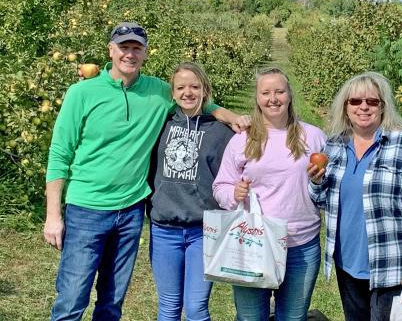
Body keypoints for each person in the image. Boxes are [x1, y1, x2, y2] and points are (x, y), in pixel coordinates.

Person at [43, 22, 249, 321]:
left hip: (131, 211)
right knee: (72, 298)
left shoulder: (157, 91)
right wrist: (53, 214)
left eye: (136, 48)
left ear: (145, 53)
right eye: (124, 47)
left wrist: (226, 115)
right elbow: (60, 154)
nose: (130, 53)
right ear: (110, 50)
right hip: (87, 208)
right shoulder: (82, 93)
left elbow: (193, 97)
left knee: (112, 301)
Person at [307, 72, 402, 321]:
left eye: (372, 102)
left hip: (390, 262)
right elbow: (321, 201)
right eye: (355, 101)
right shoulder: (334, 145)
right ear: (345, 107)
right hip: (347, 262)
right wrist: (316, 181)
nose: (363, 107)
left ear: (383, 107)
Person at [213, 67, 327, 321]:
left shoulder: (314, 136)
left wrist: (319, 182)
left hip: (300, 243)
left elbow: (330, 190)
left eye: (279, 91)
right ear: (257, 98)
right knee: (251, 317)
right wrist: (234, 192)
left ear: (289, 95)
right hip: (254, 242)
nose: (273, 98)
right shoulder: (243, 139)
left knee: (293, 317)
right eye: (265, 92)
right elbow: (220, 187)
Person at [147, 62, 235, 321]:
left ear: (205, 90)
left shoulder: (221, 131)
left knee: (196, 308)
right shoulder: (159, 125)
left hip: (203, 231)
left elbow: (231, 174)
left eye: (195, 86)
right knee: (169, 307)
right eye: (181, 87)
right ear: (172, 93)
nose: (188, 92)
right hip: (164, 229)